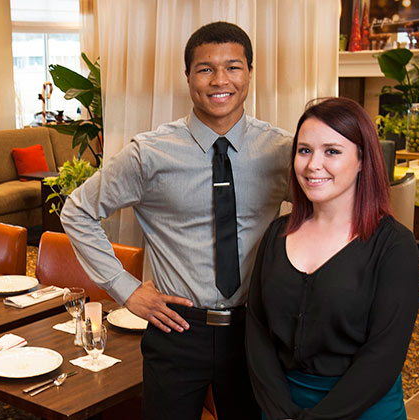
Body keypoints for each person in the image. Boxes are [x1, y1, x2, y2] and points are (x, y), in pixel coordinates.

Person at [61, 21, 291, 420]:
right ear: (187, 76)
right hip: (177, 331)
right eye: (205, 69)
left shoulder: (282, 151)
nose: (220, 80)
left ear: (250, 73)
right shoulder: (149, 154)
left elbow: (328, 212)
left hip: (254, 331)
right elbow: (77, 211)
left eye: (233, 67)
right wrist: (126, 289)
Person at [245, 97, 419, 420]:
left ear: (361, 160)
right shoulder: (276, 234)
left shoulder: (395, 247)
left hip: (363, 408)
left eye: (332, 151)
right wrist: (279, 411)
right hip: (281, 408)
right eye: (304, 150)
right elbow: (257, 330)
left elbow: (383, 357)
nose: (313, 164)